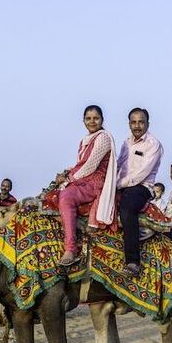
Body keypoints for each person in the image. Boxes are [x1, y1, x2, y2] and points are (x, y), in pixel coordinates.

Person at [57, 105, 117, 265]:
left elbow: (90, 165)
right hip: (84, 179)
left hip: (94, 183)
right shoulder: (85, 140)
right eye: (88, 118)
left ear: (102, 120)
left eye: (96, 118)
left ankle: (70, 248)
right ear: (83, 120)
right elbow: (80, 164)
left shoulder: (103, 137)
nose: (92, 121)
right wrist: (65, 174)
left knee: (66, 198)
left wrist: (69, 179)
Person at [115, 108, 163, 277]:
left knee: (127, 208)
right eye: (133, 122)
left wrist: (117, 185)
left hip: (141, 187)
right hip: (121, 185)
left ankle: (133, 262)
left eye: (141, 122)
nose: (137, 126)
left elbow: (141, 174)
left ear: (147, 124)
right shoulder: (126, 142)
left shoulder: (153, 144)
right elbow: (119, 166)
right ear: (129, 124)